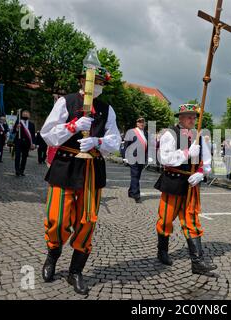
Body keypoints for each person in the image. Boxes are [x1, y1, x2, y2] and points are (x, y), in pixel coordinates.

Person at [40, 63, 120, 295]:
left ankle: (76, 271)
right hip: (65, 164)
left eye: (100, 83)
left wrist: (98, 142)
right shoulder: (66, 101)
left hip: (92, 168)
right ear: (81, 81)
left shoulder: (107, 109)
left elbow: (114, 140)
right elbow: (48, 134)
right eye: (92, 81)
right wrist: (73, 126)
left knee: (87, 221)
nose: (96, 86)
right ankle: (53, 255)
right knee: (57, 218)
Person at [154, 104, 217, 276]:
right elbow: (165, 158)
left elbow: (207, 161)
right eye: (188, 116)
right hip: (173, 182)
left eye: (194, 117)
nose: (192, 120)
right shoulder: (170, 134)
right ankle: (162, 251)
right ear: (180, 118)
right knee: (166, 219)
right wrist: (187, 153)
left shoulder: (200, 136)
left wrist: (201, 173)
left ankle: (197, 261)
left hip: (191, 184)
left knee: (192, 221)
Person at [124, 117, 150, 203]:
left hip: (142, 158)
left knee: (137, 176)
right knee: (135, 175)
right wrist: (125, 157)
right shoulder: (131, 132)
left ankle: (131, 191)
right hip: (133, 157)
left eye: (143, 122)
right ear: (136, 123)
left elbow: (148, 145)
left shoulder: (146, 133)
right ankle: (136, 195)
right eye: (139, 122)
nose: (141, 123)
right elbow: (126, 144)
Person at [12, 110, 35, 176]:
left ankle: (22, 170)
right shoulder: (18, 122)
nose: (25, 115)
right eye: (24, 114)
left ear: (29, 115)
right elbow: (13, 131)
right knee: (17, 156)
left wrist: (33, 143)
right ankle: (17, 170)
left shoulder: (31, 124)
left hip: (27, 143)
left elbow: (32, 135)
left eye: (27, 114)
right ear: (21, 115)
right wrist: (16, 128)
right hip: (18, 141)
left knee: (24, 157)